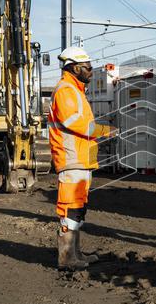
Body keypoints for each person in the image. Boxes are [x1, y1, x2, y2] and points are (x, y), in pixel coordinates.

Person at [48, 47, 112, 270]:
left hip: (81, 159)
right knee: (70, 208)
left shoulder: (76, 90)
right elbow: (75, 123)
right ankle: (66, 258)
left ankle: (75, 253)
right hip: (71, 158)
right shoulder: (66, 90)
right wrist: (105, 131)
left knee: (78, 207)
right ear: (75, 68)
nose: (91, 71)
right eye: (88, 67)